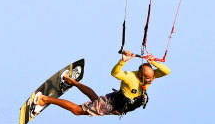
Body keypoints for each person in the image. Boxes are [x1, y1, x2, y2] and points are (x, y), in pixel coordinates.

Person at [35, 50, 170, 116]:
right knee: (77, 110)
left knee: (95, 99)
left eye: (151, 78)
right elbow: (115, 73)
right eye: (147, 78)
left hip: (117, 102)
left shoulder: (150, 77)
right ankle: (45, 99)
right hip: (112, 104)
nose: (150, 80)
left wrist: (153, 62)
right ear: (140, 74)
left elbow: (166, 71)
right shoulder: (130, 76)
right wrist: (122, 61)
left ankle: (71, 81)